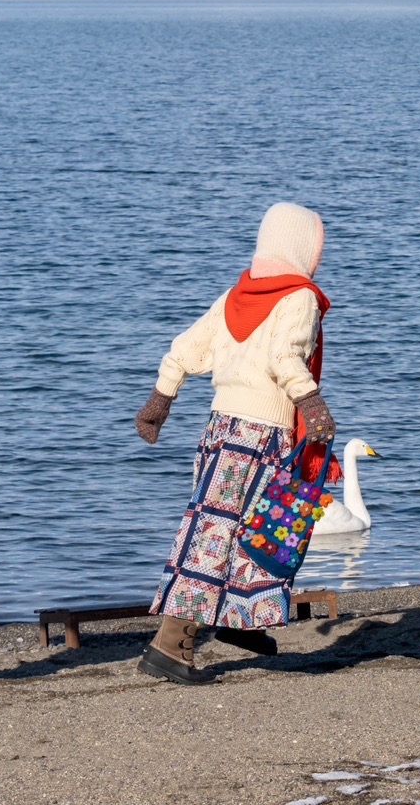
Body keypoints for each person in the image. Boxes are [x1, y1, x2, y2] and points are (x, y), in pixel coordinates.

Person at [134, 202, 337, 685]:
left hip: (220, 430)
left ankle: (242, 619)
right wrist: (311, 404)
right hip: (260, 432)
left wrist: (159, 401)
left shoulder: (235, 295)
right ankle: (169, 645)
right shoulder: (298, 298)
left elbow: (184, 349)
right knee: (221, 533)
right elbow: (285, 356)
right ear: (302, 249)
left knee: (248, 526)